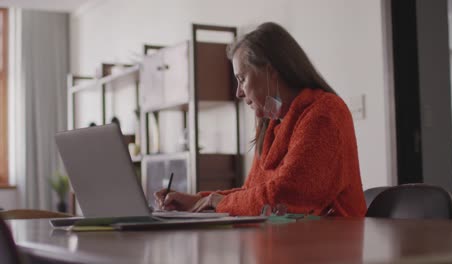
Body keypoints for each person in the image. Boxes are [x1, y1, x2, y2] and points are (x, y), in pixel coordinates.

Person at [155, 22, 367, 217]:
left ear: (270, 71)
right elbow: (253, 194)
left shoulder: (325, 113)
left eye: (242, 79)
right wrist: (197, 200)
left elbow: (282, 197)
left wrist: (215, 202)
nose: (238, 92)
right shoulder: (274, 125)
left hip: (331, 249)